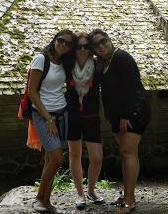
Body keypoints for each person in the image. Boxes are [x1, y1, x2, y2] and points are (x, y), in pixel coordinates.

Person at [89, 29, 150, 214]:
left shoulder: (121, 57)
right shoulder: (104, 63)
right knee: (128, 154)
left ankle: (129, 202)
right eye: (96, 44)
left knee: (127, 152)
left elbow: (131, 86)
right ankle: (127, 196)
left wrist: (125, 115)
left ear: (109, 40)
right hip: (117, 116)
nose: (101, 45)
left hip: (132, 113)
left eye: (103, 41)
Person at [28, 29, 76, 214]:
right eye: (60, 40)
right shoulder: (41, 59)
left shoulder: (63, 61)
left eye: (67, 43)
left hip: (61, 113)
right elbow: (32, 92)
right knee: (57, 158)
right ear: (54, 40)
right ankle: (39, 198)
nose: (63, 44)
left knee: (51, 158)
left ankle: (47, 201)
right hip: (44, 115)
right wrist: (48, 118)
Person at [65, 32, 105, 210]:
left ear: (91, 50)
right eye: (79, 46)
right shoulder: (67, 66)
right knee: (75, 155)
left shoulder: (97, 66)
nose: (82, 49)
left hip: (92, 116)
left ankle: (91, 190)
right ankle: (80, 193)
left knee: (97, 158)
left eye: (86, 46)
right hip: (72, 116)